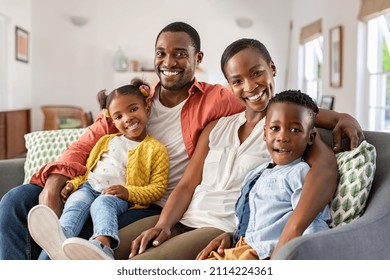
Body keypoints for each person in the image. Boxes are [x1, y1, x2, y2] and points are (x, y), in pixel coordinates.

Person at [0, 21, 245, 260]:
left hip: (146, 202)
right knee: (15, 202)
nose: (169, 62)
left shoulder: (216, 99)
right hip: (96, 185)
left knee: (87, 230)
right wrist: (54, 184)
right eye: (161, 53)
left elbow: (262, 104)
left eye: (180, 54)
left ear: (198, 58)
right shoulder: (135, 99)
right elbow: (88, 141)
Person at [110, 38, 362, 260]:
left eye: (257, 73)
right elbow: (187, 185)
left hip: (216, 228)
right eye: (237, 81)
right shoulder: (216, 127)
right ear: (229, 86)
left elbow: (326, 168)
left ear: (272, 68)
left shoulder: (286, 131)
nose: (250, 87)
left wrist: (344, 118)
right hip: (181, 218)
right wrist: (164, 224)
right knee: (105, 249)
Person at [27, 80, 169, 260]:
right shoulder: (106, 141)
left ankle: (102, 246)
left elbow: (157, 189)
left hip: (115, 196)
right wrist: (72, 184)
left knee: (102, 205)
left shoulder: (155, 149)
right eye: (118, 117)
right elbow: (89, 171)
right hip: (89, 187)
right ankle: (59, 239)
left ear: (147, 108)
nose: (127, 118)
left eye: (133, 109)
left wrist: (128, 192)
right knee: (75, 203)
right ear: (113, 120)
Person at [199, 89, 330, 260]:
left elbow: (313, 226)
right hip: (237, 248)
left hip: (264, 253)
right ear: (265, 133)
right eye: (275, 128)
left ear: (311, 137)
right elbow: (252, 220)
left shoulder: (300, 174)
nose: (282, 137)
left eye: (295, 130)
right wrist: (231, 235)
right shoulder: (256, 173)